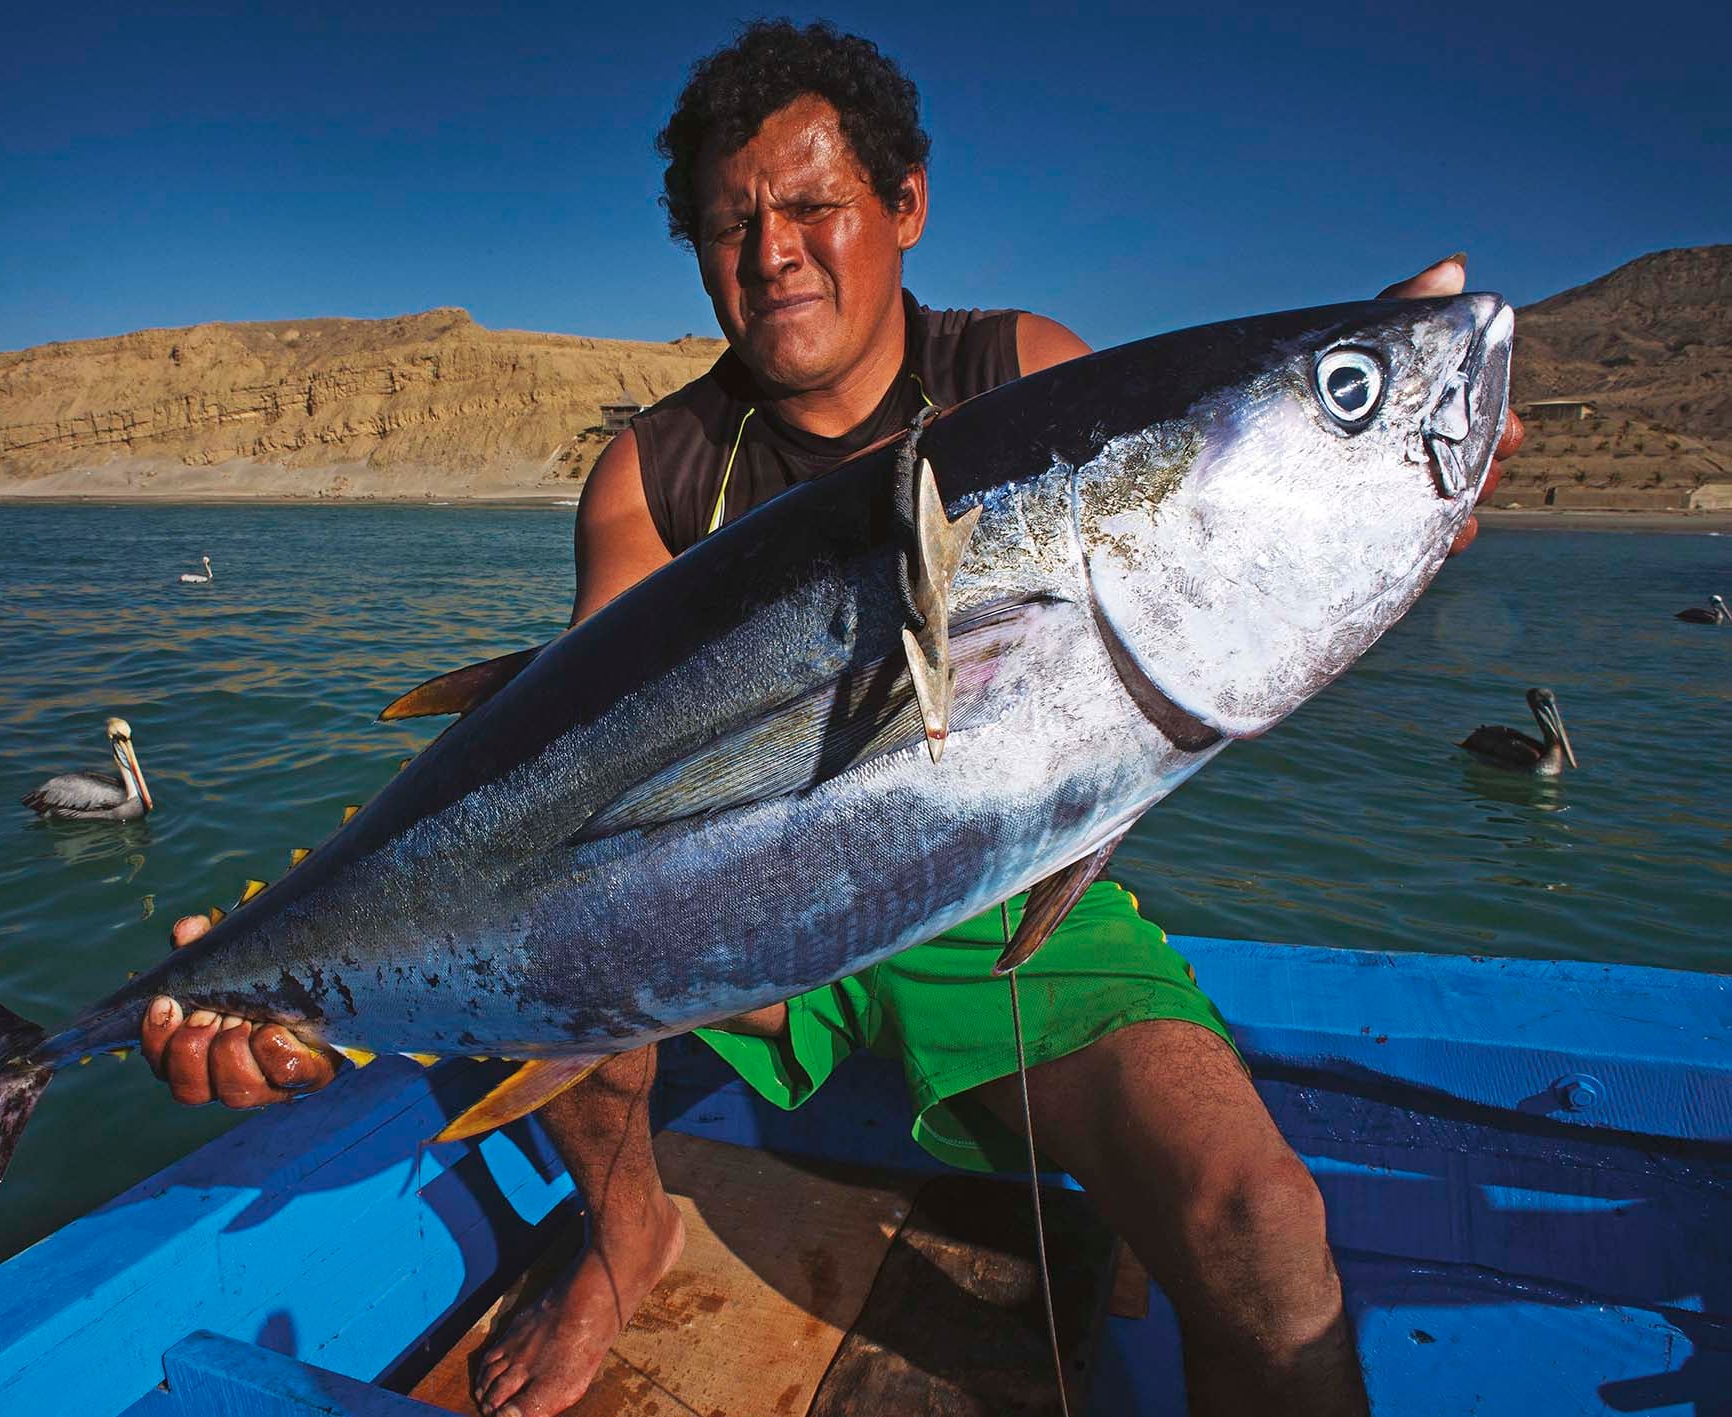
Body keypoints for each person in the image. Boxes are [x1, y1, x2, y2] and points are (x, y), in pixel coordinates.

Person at [139, 21, 1525, 1417]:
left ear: (904, 204)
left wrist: (1360, 485)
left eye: (815, 207)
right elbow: (565, 788)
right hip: (711, 901)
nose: (775, 254)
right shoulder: (653, 469)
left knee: (1262, 1227)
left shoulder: (1022, 370)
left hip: (1005, 901)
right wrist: (289, 993)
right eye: (730, 225)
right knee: (566, 980)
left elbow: (1204, 537)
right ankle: (628, 1237)